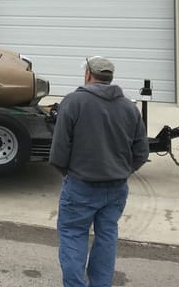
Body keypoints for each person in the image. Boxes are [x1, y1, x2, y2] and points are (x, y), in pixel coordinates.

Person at [49, 56, 149, 287]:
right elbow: (141, 152)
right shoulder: (129, 107)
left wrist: (68, 172)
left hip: (80, 184)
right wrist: (122, 171)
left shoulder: (73, 102)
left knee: (73, 234)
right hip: (116, 187)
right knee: (107, 236)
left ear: (88, 75)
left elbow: (59, 150)